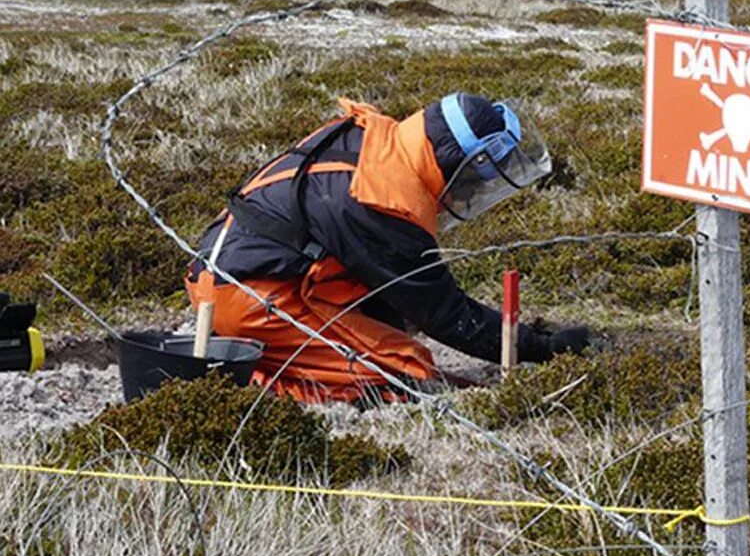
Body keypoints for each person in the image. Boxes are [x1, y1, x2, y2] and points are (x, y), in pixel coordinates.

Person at [186, 93, 590, 405]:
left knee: (391, 327)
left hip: (235, 274)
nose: (472, 191)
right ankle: (253, 380)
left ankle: (253, 354)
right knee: (402, 372)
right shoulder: (383, 200)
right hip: (254, 301)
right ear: (454, 163)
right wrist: (541, 349)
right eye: (474, 178)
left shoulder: (377, 142)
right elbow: (446, 316)